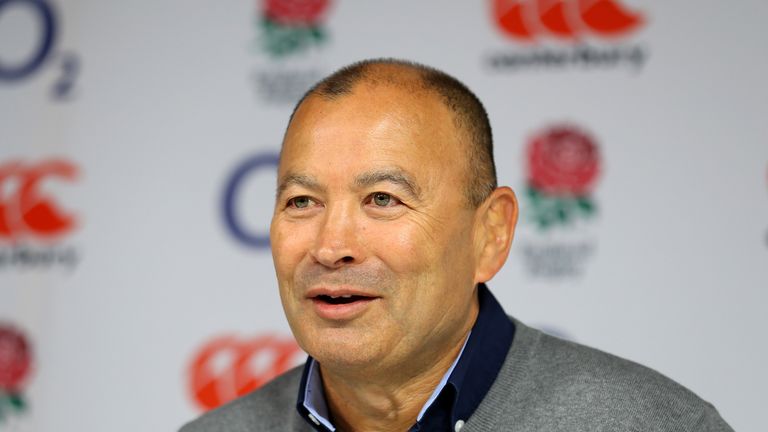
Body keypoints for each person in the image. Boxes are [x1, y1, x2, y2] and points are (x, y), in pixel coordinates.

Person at [181, 59, 732, 432]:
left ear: (489, 234)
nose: (332, 246)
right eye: (302, 202)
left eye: (382, 199)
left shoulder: (647, 423)